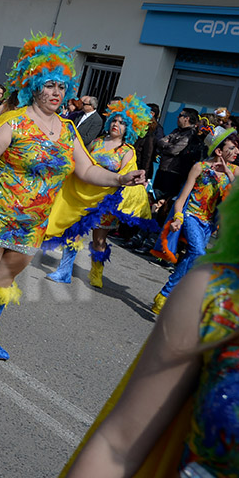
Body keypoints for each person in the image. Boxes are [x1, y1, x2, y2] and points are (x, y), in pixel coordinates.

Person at [0, 34, 146, 360]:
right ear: (34, 86)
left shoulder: (67, 130)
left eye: (61, 87)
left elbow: (88, 172)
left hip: (32, 223)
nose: (55, 93)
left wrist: (120, 177)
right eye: (49, 86)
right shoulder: (15, 121)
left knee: (4, 280)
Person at [61, 186, 239, 478]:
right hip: (192, 216)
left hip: (205, 220)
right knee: (195, 253)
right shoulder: (218, 298)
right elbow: (117, 446)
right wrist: (178, 212)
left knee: (195, 252)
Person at [46, 95, 156, 287]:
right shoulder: (97, 143)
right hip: (84, 196)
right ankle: (64, 271)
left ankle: (97, 270)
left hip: (105, 201)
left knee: (99, 240)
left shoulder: (127, 151)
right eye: (114, 120)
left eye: (122, 123)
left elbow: (126, 178)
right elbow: (83, 164)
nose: (116, 124)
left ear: (128, 128)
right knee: (74, 232)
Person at [150, 127, 237, 314]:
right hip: (191, 216)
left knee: (192, 257)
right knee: (197, 252)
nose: (237, 152)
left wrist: (229, 175)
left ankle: (164, 296)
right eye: (232, 148)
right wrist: (178, 218)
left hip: (209, 224)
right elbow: (182, 197)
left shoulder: (235, 171)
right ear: (219, 151)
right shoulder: (200, 167)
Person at [154, 108, 201, 201]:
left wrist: (166, 146)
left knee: (163, 201)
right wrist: (168, 145)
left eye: (180, 115)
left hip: (173, 173)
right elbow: (160, 142)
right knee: (154, 197)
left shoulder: (190, 134)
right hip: (163, 169)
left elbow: (174, 150)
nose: (177, 117)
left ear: (186, 118)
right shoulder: (176, 131)